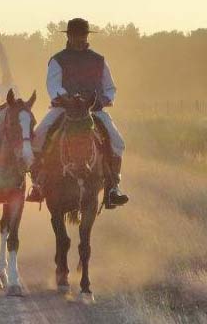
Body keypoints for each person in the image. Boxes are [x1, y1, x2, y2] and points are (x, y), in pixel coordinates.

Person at [28, 18, 130, 208]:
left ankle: (113, 187)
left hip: (93, 110)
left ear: (87, 36)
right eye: (75, 36)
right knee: (39, 136)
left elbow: (110, 88)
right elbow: (53, 85)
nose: (79, 39)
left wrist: (103, 99)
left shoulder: (99, 60)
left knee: (117, 142)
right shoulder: (58, 60)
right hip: (64, 108)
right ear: (68, 36)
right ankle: (38, 183)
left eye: (82, 35)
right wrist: (68, 99)